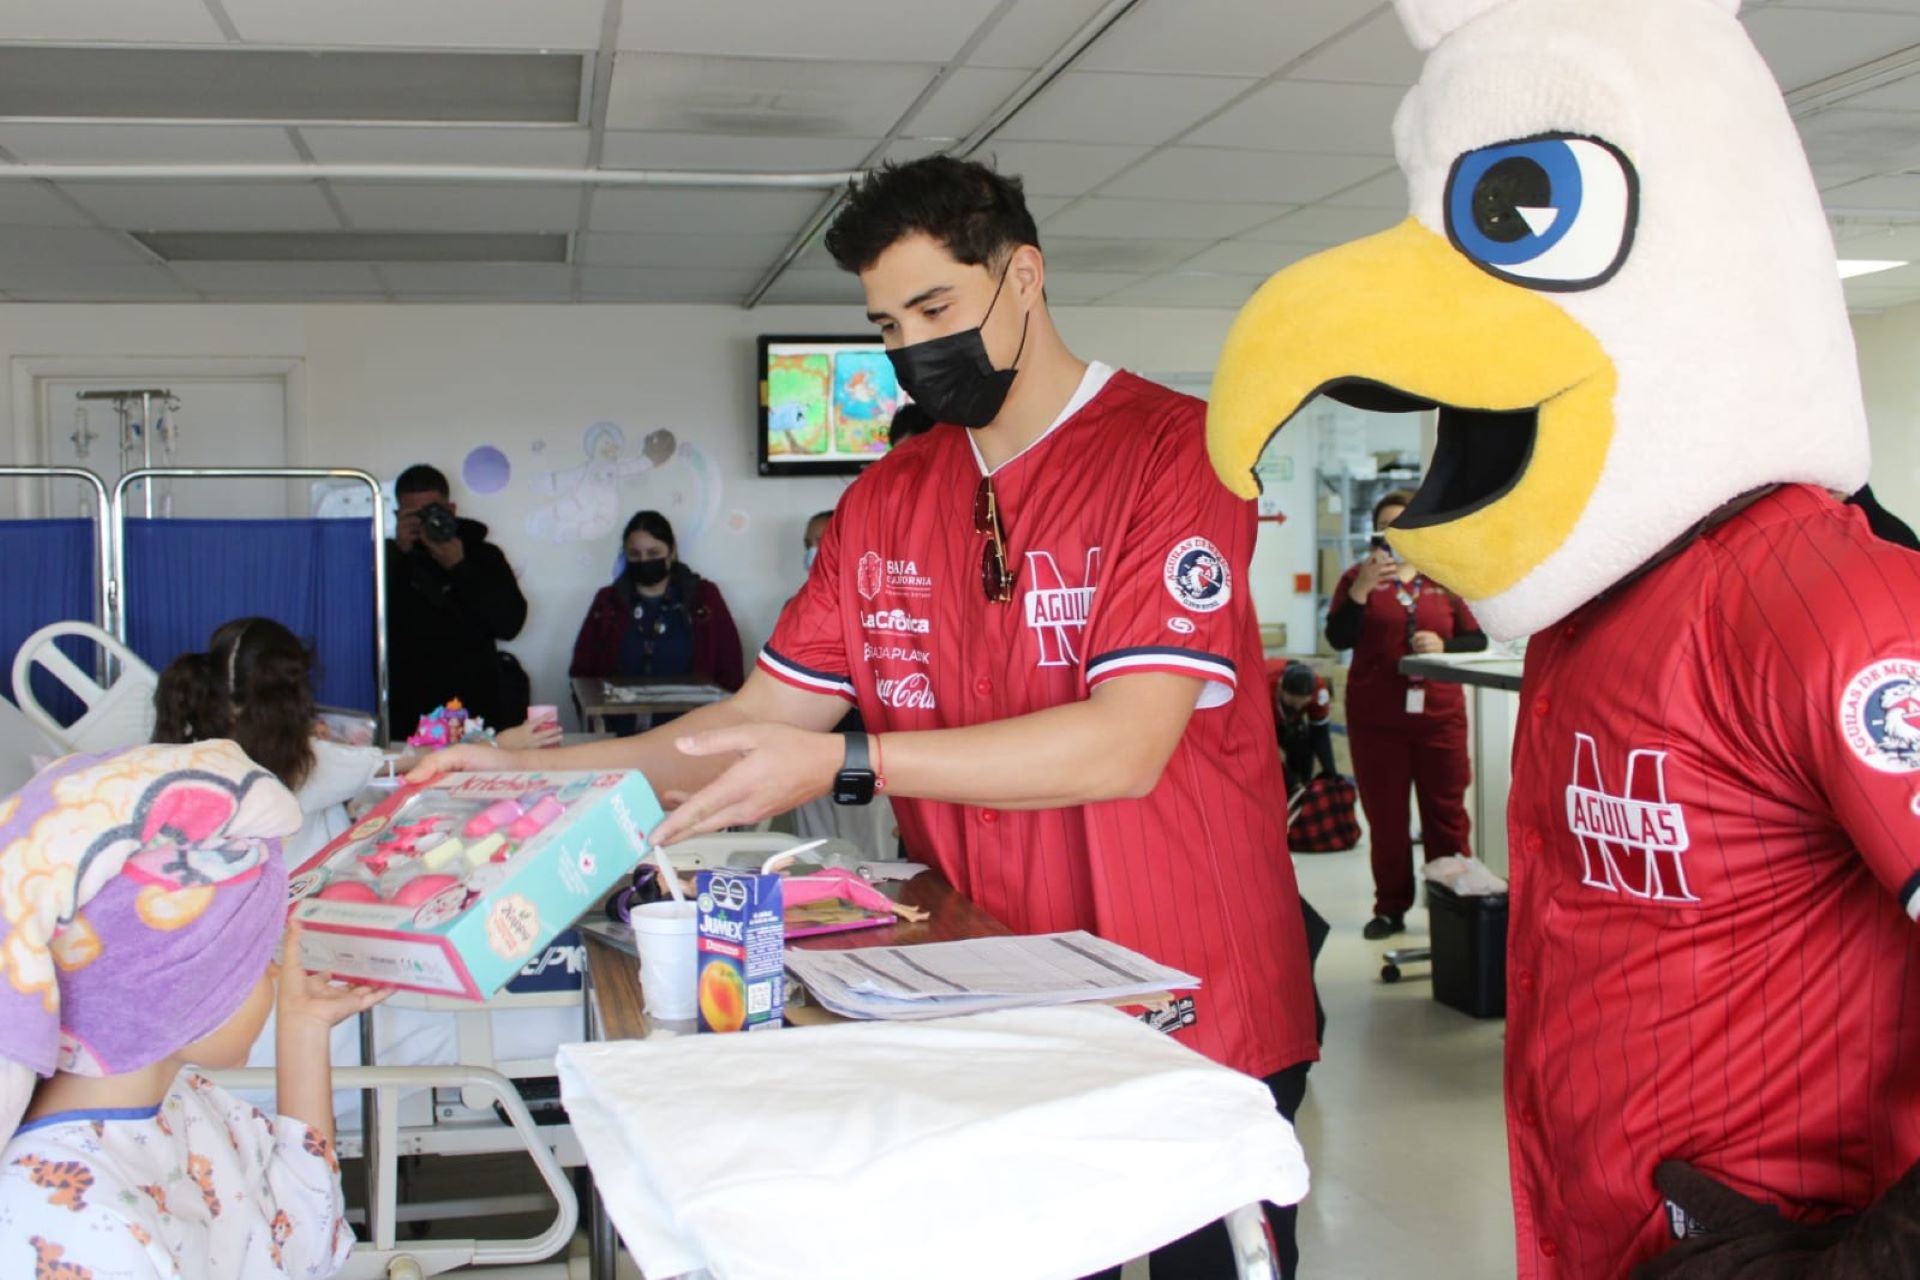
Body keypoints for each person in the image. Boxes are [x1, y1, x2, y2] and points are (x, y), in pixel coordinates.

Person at [419, 155, 1318, 1280]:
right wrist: (523, 780)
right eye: (888, 323)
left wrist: (848, 757)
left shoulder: (1174, 451)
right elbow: (752, 722)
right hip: (989, 988)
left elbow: (1126, 742)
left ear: (1023, 275)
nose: (911, 347)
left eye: (937, 307)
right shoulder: (889, 501)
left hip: (1191, 990)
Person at [0, 741, 387, 1279]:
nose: (276, 977)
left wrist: (304, 1029)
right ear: (183, 989)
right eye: (260, 961)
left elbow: (302, 1247)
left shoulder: (182, 1106)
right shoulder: (72, 1218)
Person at [1325, 490, 1486, 941]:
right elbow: (1338, 638)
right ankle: (1390, 908)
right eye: (1386, 529)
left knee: (1447, 818)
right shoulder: (1356, 578)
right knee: (1388, 822)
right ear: (1376, 534)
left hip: (1439, 719)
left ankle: (1451, 908)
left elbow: (1476, 641)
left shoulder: (1446, 579)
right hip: (1377, 722)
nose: (1396, 537)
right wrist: (1358, 593)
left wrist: (1444, 646)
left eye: (1405, 526)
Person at [568, 511, 744, 734]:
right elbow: (582, 674)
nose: (644, 561)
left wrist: (720, 724)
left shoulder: (705, 599)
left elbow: (730, 666)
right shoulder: (607, 602)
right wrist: (598, 727)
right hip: (619, 733)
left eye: (653, 553)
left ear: (671, 553)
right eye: (635, 554)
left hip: (692, 730)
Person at [386, 463, 529, 734]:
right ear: (398, 515)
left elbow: (510, 625)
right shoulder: (387, 560)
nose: (427, 521)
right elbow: (369, 628)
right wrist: (398, 554)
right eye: (415, 515)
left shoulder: (483, 555)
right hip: (408, 710)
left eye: (433, 512)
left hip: (476, 707)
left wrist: (460, 567)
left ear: (451, 510)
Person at [1274, 660, 1336, 796]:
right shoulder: (1264, 685)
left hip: (1292, 723)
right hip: (1264, 719)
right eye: (1292, 702)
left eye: (1303, 704)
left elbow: (1321, 734)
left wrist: (1330, 773)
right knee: (1276, 768)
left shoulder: (1319, 690)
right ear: (1280, 688)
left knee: (1304, 751)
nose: (1297, 707)